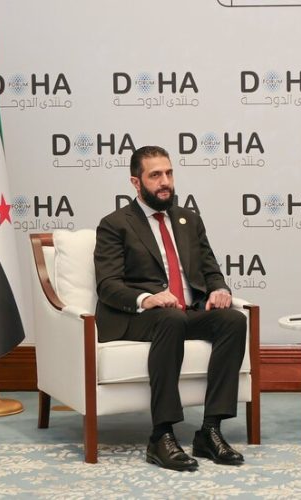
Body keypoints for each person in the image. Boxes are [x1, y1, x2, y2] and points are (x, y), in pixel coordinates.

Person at [94, 145, 247, 472]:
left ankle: (210, 431)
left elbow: (210, 269)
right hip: (137, 317)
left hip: (183, 312)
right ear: (136, 182)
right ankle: (161, 436)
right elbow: (107, 285)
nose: (165, 181)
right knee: (170, 319)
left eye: (169, 173)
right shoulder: (115, 224)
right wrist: (145, 299)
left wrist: (219, 289)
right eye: (155, 175)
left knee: (233, 320)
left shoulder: (188, 219)